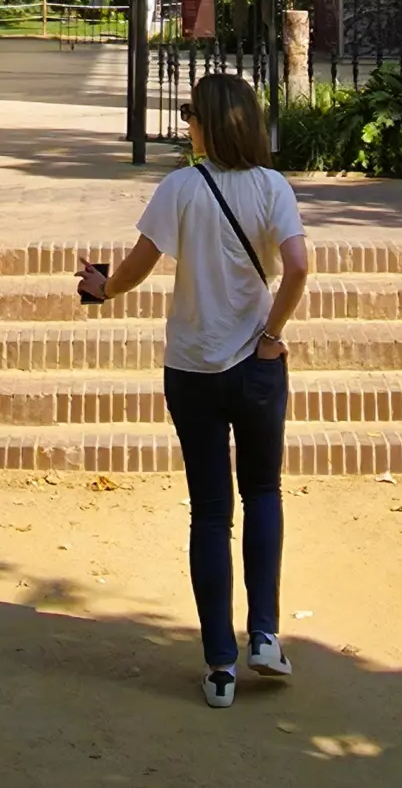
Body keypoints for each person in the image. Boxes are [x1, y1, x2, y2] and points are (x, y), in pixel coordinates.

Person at [77, 70, 313, 709]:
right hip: (256, 363)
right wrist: (272, 334)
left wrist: (102, 288)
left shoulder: (180, 188)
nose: (188, 127)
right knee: (262, 492)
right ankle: (265, 635)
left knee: (210, 511)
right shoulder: (272, 187)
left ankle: (219, 666)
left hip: (192, 367)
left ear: (210, 124)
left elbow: (137, 266)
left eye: (192, 117)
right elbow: (297, 266)